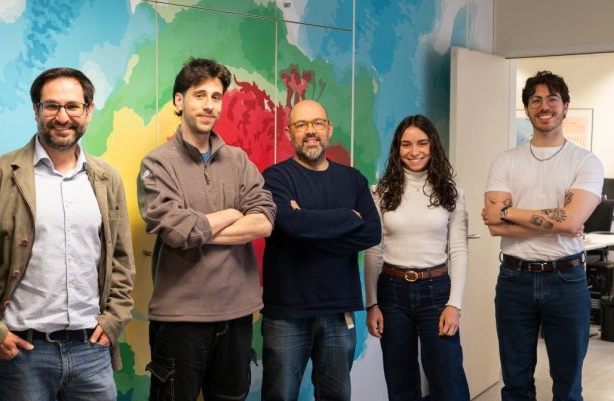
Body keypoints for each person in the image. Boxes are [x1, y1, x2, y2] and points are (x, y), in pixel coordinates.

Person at [0, 67, 135, 401]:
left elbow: (121, 258)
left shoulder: (107, 178)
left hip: (91, 351)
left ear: (88, 110)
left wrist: (114, 319)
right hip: (22, 353)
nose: (62, 117)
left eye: (73, 106)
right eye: (51, 106)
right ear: (36, 110)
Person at [137, 57, 276, 401]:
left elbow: (264, 219)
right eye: (200, 95)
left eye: (216, 97)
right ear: (179, 100)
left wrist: (197, 227)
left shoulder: (238, 159)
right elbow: (175, 231)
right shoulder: (157, 163)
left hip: (238, 313)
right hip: (180, 316)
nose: (209, 105)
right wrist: (231, 213)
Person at [482, 70, 603, 401]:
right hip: (514, 279)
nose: (544, 106)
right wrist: (556, 217)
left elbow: (571, 221)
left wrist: (509, 212)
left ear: (565, 106)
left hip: (566, 280)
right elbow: (493, 226)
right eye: (536, 100)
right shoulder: (506, 161)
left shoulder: (586, 162)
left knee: (567, 385)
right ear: (527, 108)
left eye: (552, 99)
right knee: (516, 383)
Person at [261, 99, 382, 401]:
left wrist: (305, 226)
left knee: (336, 396)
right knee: (279, 396)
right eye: (301, 125)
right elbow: (290, 225)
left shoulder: (353, 180)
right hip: (287, 312)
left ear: (329, 129)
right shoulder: (275, 177)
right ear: (289, 134)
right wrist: (345, 217)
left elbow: (371, 232)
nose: (310, 131)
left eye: (317, 124)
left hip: (338, 310)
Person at [363, 115, 470, 401]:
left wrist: (454, 305)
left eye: (422, 143)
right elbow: (373, 251)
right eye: (406, 144)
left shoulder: (452, 193)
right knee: (401, 383)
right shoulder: (380, 192)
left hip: (436, 292)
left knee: (448, 383)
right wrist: (372, 303)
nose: (414, 151)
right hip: (392, 292)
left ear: (433, 146)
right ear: (397, 149)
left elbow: (458, 251)